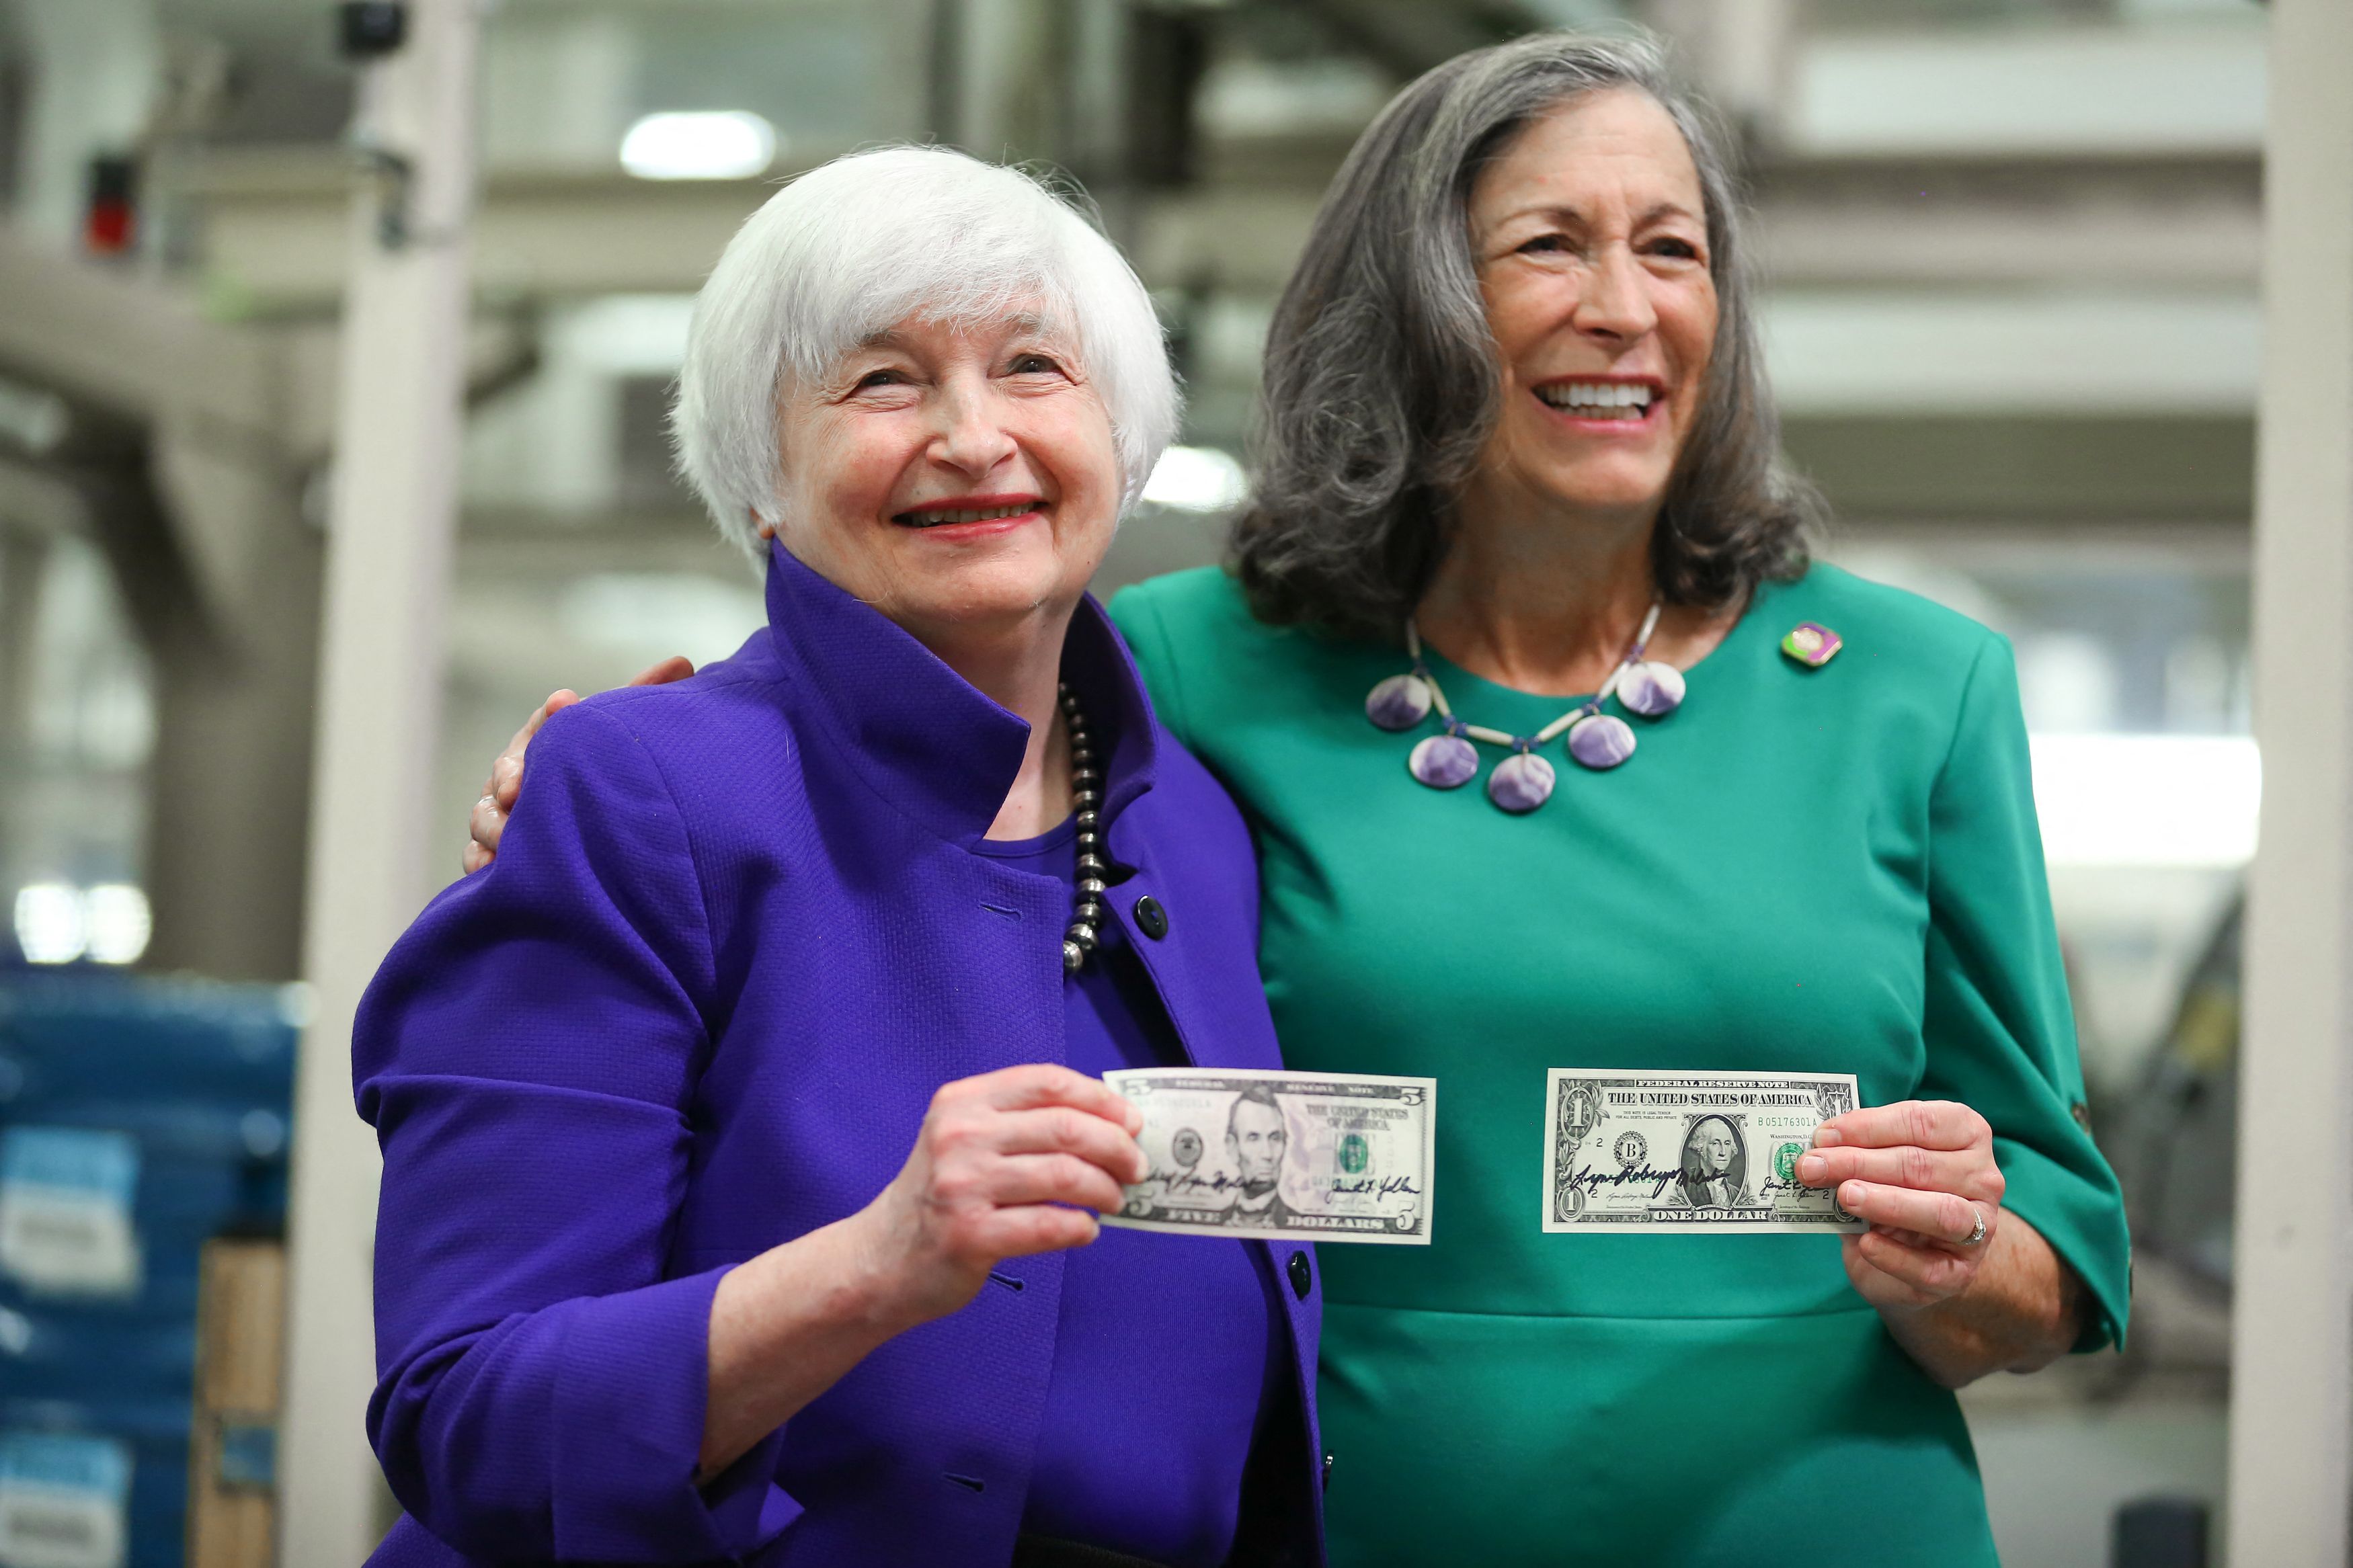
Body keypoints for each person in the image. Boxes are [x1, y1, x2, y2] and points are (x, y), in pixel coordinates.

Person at [469, 33, 2130, 1567]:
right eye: (1551, 244)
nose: (1625, 305)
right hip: (1340, 1522)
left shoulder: (1919, 692)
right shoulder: (1180, 670)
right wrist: (606, 789)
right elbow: (880, 775)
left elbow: (2060, 1253)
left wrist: (1967, 1259)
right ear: (1414, 306)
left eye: (1673, 250)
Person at [362, 147, 1324, 1568]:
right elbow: (471, 1415)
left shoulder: (1189, 817)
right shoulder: (643, 790)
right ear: (763, 482)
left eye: (1033, 368)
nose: (973, 434)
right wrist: (872, 1265)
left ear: (1121, 440)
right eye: (882, 381)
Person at [1224, 1085, 1295, 1227]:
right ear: (1233, 1148)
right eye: (1253, 1138)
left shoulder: (1297, 1225)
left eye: (1275, 1138)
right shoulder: (1219, 1221)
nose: (1267, 1154)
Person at [1670, 1115, 1747, 1209]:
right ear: (1701, 1148)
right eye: (1715, 1143)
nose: (1723, 1152)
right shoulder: (1686, 1190)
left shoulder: (1736, 1193)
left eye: (1727, 1144)